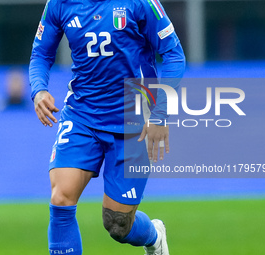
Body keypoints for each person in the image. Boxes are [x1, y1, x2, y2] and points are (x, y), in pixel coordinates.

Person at [29, 0, 185, 254]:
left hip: (132, 121)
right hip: (82, 115)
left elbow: (173, 54)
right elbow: (41, 53)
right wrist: (39, 89)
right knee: (61, 199)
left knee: (117, 224)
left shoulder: (140, 3)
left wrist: (160, 114)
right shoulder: (59, 3)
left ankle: (155, 237)